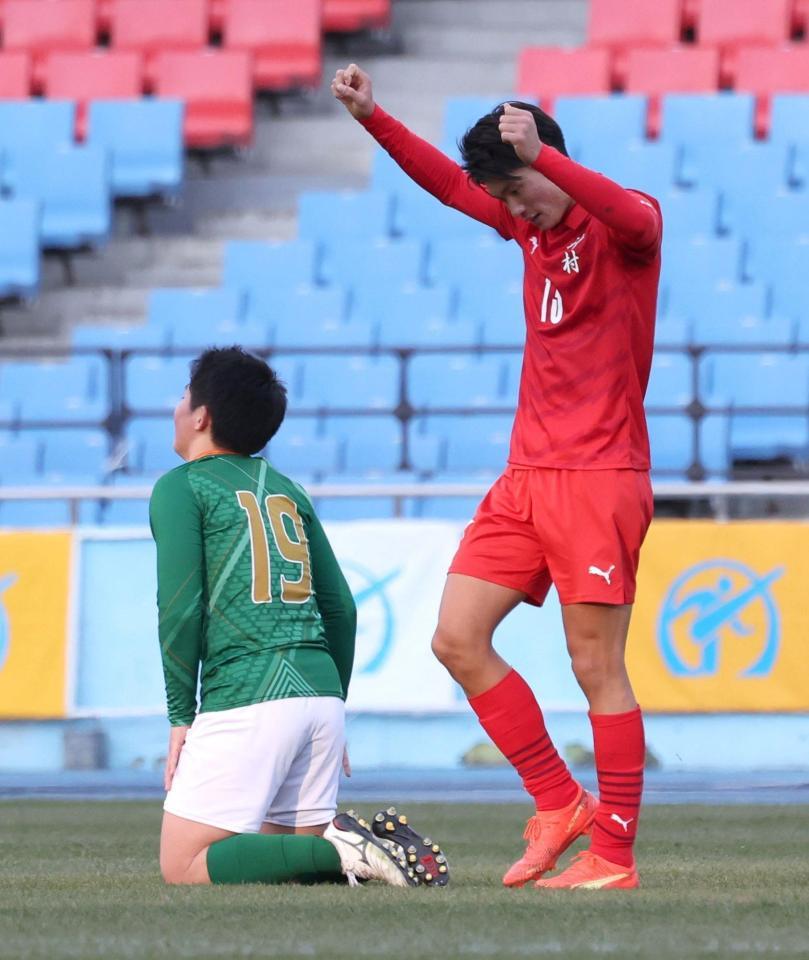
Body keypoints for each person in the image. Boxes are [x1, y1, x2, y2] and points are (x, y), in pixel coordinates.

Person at [332, 64, 662, 891]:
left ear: (547, 162)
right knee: (455, 638)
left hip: (597, 476)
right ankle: (557, 802)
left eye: (519, 190)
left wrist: (542, 160)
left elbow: (633, 213)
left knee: (596, 667)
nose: (513, 209)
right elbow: (451, 186)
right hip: (525, 477)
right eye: (505, 198)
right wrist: (373, 116)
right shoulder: (528, 229)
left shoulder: (622, 228)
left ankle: (613, 857)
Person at [151, 346, 447, 888]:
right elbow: (341, 609)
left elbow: (180, 608)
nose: (176, 406)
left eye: (183, 395)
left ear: (201, 416)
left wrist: (179, 714)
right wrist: (333, 702)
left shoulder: (182, 486)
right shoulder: (288, 489)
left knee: (184, 863)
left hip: (248, 694)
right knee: (282, 868)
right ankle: (355, 854)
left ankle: (344, 848)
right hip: (320, 696)